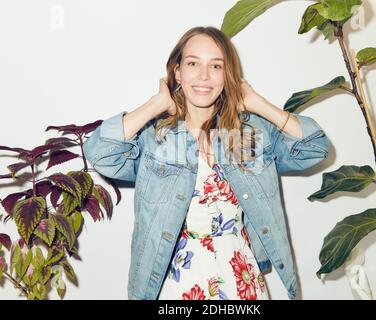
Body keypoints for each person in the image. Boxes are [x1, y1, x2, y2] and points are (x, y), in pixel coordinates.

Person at [83, 26, 330, 300]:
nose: (203, 76)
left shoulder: (250, 134)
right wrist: (156, 104)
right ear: (177, 72)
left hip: (240, 276)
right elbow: (99, 152)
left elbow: (315, 148)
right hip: (175, 278)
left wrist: (257, 103)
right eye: (192, 64)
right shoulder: (154, 137)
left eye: (216, 66)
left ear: (228, 75)